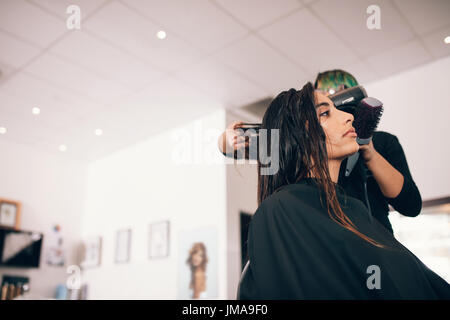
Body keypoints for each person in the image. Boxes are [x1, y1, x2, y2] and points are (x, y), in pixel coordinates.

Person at [236, 83, 450, 299]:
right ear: (300, 135)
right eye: (326, 112)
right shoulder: (283, 209)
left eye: (343, 109)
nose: (349, 118)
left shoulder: (354, 207)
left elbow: (411, 206)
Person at [218, 69, 421, 234]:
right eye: (324, 110)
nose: (342, 115)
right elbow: (243, 144)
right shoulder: (301, 142)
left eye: (339, 93)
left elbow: (410, 205)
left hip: (376, 242)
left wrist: (369, 152)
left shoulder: (384, 142)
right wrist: (226, 141)